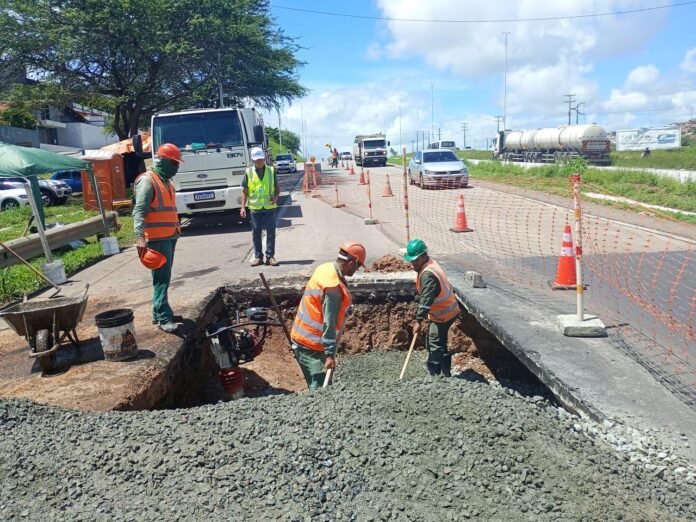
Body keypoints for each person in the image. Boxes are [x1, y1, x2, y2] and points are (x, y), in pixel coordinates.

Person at [291, 241, 367, 391]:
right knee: (321, 390)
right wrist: (330, 354)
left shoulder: (325, 268)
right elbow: (329, 322)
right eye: (358, 266)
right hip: (311, 345)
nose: (357, 270)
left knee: (318, 386)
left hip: (302, 338)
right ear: (351, 263)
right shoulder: (333, 287)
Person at [133, 143, 183, 333]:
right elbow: (139, 211)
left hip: (169, 235)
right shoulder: (148, 181)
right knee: (161, 279)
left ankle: (159, 311)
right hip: (156, 238)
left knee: (163, 277)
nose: (176, 167)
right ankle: (163, 317)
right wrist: (140, 238)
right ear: (162, 161)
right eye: (174, 163)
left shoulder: (166, 182)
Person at [403, 239, 460, 377]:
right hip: (449, 309)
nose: (413, 263)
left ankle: (435, 375)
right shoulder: (430, 264)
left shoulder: (428, 275)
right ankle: (445, 373)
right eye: (411, 260)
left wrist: (418, 321)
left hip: (443, 314)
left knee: (434, 341)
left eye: (415, 260)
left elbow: (426, 301)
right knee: (441, 341)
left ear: (423, 256)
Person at [240, 147, 280, 267]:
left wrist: (276, 198)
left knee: (271, 232)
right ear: (253, 160)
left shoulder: (271, 171)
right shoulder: (249, 172)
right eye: (257, 160)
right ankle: (258, 257)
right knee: (256, 232)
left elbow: (277, 188)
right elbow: (245, 191)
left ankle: (270, 257)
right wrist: (242, 207)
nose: (260, 161)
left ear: (264, 158)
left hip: (269, 207)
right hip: (255, 208)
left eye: (261, 159)